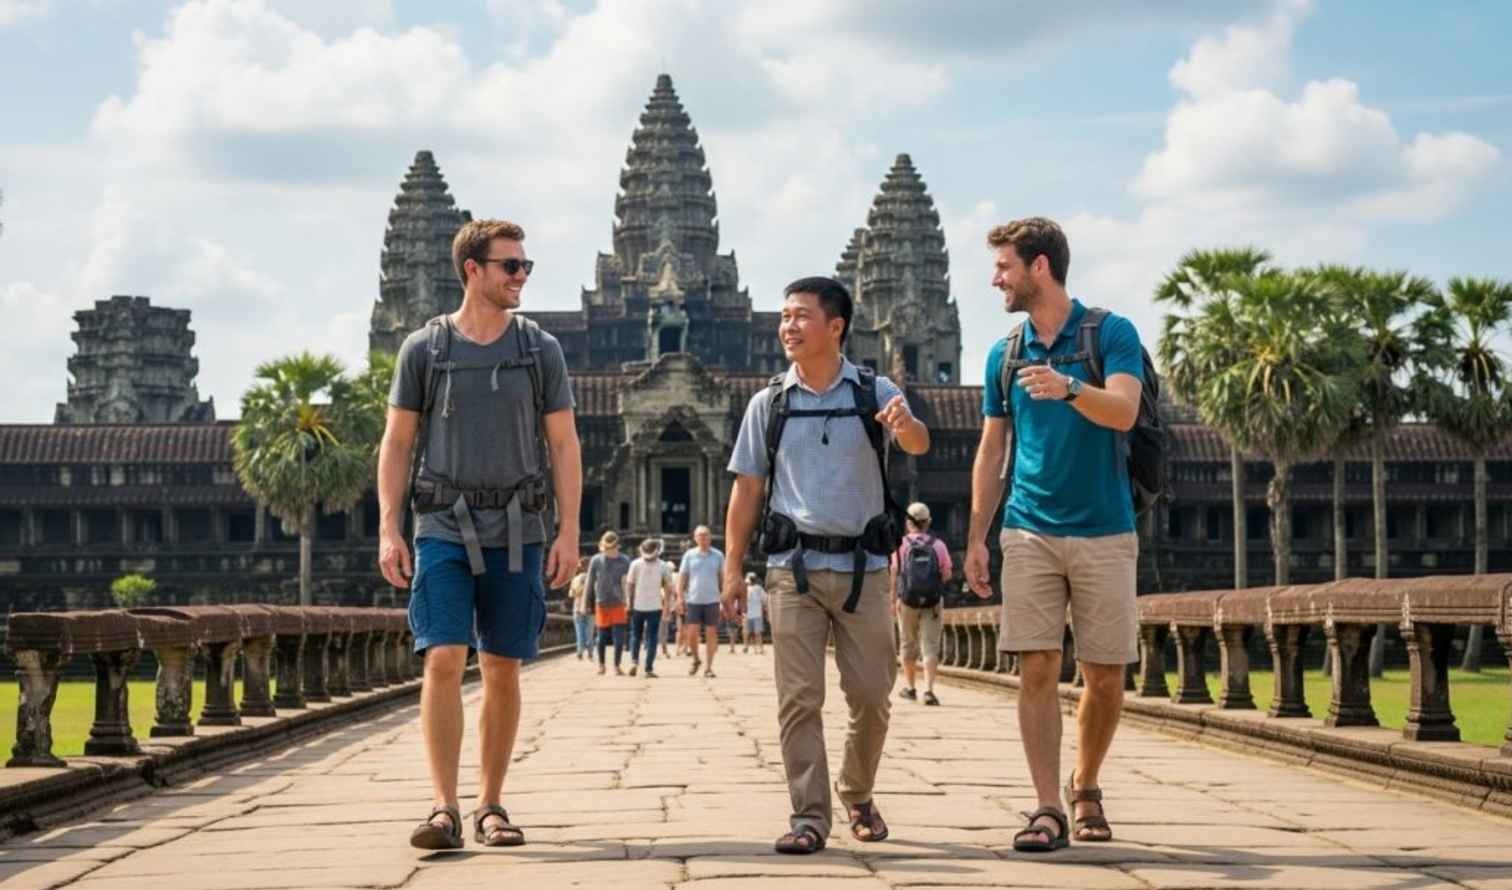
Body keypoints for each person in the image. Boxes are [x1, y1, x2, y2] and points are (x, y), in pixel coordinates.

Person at [378, 218, 581, 851]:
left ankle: (491, 802)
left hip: (520, 526)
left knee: (500, 665)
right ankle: (444, 806)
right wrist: (389, 526)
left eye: (524, 266)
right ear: (474, 269)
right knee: (442, 654)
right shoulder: (426, 348)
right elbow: (397, 441)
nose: (521, 276)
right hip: (441, 522)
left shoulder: (539, 349)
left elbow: (564, 442)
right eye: (510, 266)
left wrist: (570, 530)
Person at [723, 276, 930, 855]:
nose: (788, 326)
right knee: (798, 698)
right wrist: (733, 566)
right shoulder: (770, 402)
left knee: (871, 694)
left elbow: (917, 443)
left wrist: (903, 425)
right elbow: (746, 489)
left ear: (835, 326)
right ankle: (809, 815)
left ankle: (856, 789)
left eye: (801, 316)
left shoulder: (873, 390)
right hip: (793, 569)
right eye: (784, 316)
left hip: (865, 567)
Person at [963, 217, 1145, 852]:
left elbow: (1124, 411)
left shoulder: (1110, 333)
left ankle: (1085, 782)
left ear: (1039, 267)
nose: (996, 280)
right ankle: (1046, 808)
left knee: (1104, 675)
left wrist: (1070, 388)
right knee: (1036, 667)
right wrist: (977, 536)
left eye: (1004, 267)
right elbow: (991, 450)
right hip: (1029, 528)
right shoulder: (1004, 353)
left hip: (1104, 528)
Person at [890, 502, 953, 706]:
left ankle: (910, 688)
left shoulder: (901, 545)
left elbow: (894, 573)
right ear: (928, 523)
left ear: (908, 523)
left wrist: (893, 600)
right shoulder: (938, 545)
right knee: (930, 646)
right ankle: (929, 690)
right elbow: (946, 574)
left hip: (907, 600)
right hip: (933, 602)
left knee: (907, 643)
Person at [678, 526, 725, 678]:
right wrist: (680, 597)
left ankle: (709, 667)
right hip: (693, 598)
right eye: (700, 536)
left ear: (710, 537)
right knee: (692, 634)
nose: (703, 538)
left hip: (712, 599)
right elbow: (682, 577)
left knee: (711, 633)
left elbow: (722, 578)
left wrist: (724, 598)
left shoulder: (718, 555)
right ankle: (696, 659)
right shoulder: (689, 555)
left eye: (706, 536)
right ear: (695, 538)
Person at [626, 537, 674, 677]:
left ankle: (634, 661)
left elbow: (629, 585)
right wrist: (667, 607)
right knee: (652, 638)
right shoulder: (663, 565)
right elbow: (668, 588)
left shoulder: (635, 564)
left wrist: (629, 602)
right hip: (654, 606)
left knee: (636, 635)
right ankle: (648, 668)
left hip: (638, 606)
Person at [585, 531, 632, 676]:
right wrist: (587, 602)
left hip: (619, 603)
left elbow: (630, 584)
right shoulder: (596, 560)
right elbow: (590, 582)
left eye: (610, 548)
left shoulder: (625, 561)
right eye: (606, 548)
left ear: (617, 546)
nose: (607, 551)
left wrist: (631, 602)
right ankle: (601, 665)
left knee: (619, 638)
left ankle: (617, 665)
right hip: (601, 602)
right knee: (601, 637)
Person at [569, 557, 592, 661]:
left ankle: (579, 652)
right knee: (590, 631)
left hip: (577, 607)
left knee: (579, 631)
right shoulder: (593, 578)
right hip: (590, 608)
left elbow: (571, 594)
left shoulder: (575, 579)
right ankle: (590, 652)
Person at [742, 572, 766, 655]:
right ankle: (746, 647)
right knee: (747, 632)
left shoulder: (759, 588)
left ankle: (760, 648)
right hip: (748, 614)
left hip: (756, 614)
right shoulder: (745, 589)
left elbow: (764, 599)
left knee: (757, 632)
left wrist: (764, 607)